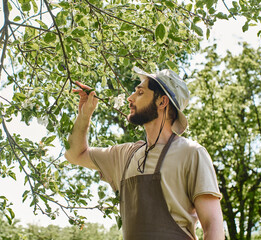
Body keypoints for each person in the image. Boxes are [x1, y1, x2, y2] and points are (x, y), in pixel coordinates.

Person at [65, 67, 224, 240]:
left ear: (162, 102)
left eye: (140, 92)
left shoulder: (192, 153)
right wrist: (84, 114)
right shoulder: (124, 155)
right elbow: (75, 154)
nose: (130, 98)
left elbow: (213, 227)